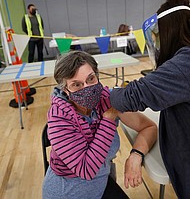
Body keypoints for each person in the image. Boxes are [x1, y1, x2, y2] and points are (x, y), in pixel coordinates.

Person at [42, 50, 157, 199]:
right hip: (67, 191)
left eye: (91, 79)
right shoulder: (58, 118)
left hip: (101, 182)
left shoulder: (107, 99)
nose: (87, 88)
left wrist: (136, 155)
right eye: (76, 85)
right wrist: (108, 119)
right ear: (65, 90)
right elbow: (87, 170)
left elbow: (149, 128)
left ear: (97, 75)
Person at [110, 0, 190, 199]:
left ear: (170, 30)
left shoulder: (184, 64)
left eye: (159, 35)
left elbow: (131, 96)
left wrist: (105, 93)